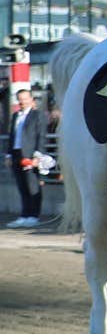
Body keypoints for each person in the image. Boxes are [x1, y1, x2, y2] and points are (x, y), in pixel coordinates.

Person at [9, 87, 44, 228]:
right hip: (16, 153)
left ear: (31, 99)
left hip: (31, 155)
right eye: (20, 99)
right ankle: (24, 215)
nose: (22, 101)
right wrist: (8, 154)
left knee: (33, 186)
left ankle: (34, 216)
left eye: (25, 98)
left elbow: (41, 136)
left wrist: (37, 155)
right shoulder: (15, 116)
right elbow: (12, 136)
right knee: (22, 186)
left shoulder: (37, 115)